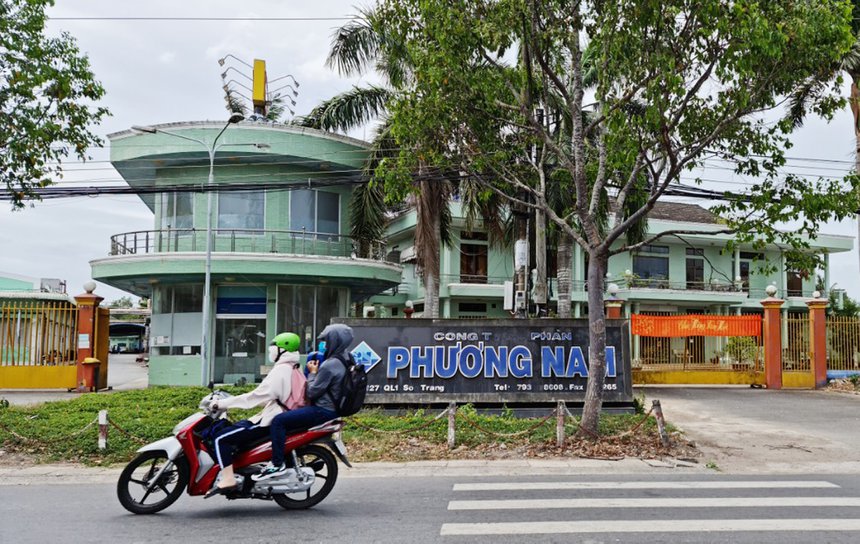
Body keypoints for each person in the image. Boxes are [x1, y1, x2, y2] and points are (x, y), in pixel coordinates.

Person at [203, 331, 301, 498]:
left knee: (221, 439)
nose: (271, 352)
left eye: (274, 348)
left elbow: (254, 398)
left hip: (270, 420)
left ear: (283, 351)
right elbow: (266, 397)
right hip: (271, 414)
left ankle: (228, 479)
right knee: (237, 428)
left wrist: (224, 403)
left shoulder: (281, 370)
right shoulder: (290, 367)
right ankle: (239, 470)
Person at [252, 323, 351, 481]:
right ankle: (288, 456)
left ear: (335, 340)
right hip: (334, 409)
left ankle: (277, 463)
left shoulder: (330, 365)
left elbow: (311, 392)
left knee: (278, 421)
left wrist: (312, 374)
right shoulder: (347, 358)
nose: (324, 345)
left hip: (322, 411)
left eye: (326, 340)